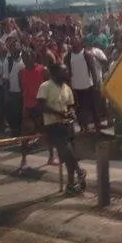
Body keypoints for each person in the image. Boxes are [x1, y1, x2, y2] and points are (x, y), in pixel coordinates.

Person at [36, 63, 86, 195]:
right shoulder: (45, 86)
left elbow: (71, 105)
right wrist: (59, 113)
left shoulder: (67, 88)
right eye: (64, 71)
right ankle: (79, 172)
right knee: (65, 149)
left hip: (67, 124)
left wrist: (71, 112)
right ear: (55, 73)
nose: (67, 72)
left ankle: (70, 184)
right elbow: (42, 106)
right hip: (53, 125)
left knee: (68, 155)